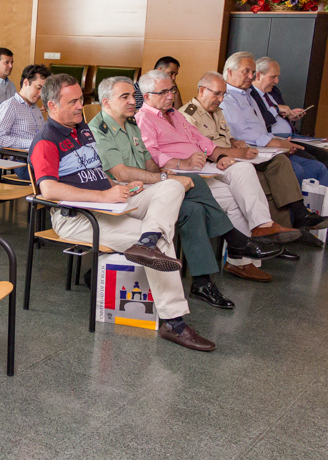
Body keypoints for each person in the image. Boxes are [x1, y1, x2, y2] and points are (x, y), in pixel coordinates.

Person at [30, 74, 214, 351]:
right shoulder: (46, 140)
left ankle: (147, 241)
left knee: (171, 187)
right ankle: (173, 322)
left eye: (81, 99)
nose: (81, 106)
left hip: (111, 202)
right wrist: (104, 195)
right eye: (73, 102)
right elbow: (49, 191)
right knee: (163, 241)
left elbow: (91, 174)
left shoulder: (81, 129)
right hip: (79, 218)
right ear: (52, 107)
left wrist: (117, 186)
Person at [90, 76, 280, 309]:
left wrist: (165, 175)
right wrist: (165, 177)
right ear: (106, 102)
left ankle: (202, 282)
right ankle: (236, 240)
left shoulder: (130, 124)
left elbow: (149, 163)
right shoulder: (99, 129)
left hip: (144, 187)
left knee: (193, 208)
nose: (133, 101)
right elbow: (121, 173)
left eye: (133, 95)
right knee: (191, 183)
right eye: (125, 97)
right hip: (121, 196)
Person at [135, 70, 307, 282]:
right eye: (163, 92)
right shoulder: (143, 119)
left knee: (242, 169)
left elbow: (202, 140)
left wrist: (220, 156)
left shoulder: (175, 114)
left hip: (202, 167)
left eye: (171, 90)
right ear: (147, 96)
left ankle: (261, 227)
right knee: (234, 196)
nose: (170, 96)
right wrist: (182, 163)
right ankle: (241, 258)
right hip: (178, 173)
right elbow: (150, 154)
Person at [219, 53, 328, 247]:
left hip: (268, 145)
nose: (250, 76)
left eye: (252, 72)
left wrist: (278, 141)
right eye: (246, 71)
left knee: (317, 167)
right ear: (229, 72)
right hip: (253, 149)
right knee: (296, 169)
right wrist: (278, 143)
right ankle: (298, 226)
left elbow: (260, 125)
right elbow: (242, 132)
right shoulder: (227, 97)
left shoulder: (248, 94)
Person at [181, 71, 328, 253]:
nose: (220, 99)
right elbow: (202, 150)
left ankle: (281, 226)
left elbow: (225, 136)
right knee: (255, 176)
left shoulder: (217, 110)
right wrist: (239, 152)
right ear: (202, 91)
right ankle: (268, 236)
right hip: (213, 164)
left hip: (230, 157)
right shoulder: (188, 114)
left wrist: (234, 141)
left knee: (278, 162)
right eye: (216, 94)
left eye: (223, 94)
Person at [253, 56, 328, 221]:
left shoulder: (273, 92)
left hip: (291, 135)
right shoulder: (252, 97)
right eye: (273, 77)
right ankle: (324, 212)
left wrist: (291, 116)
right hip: (275, 140)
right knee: (313, 162)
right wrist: (277, 109)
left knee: (323, 155)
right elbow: (261, 123)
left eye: (277, 76)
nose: (276, 81)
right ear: (258, 75)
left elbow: (281, 117)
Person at [0, 64, 49, 181]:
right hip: (23, 162)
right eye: (38, 87)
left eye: (44, 90)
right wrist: (32, 143)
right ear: (26, 82)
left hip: (40, 158)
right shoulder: (10, 106)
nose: (41, 94)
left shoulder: (35, 108)